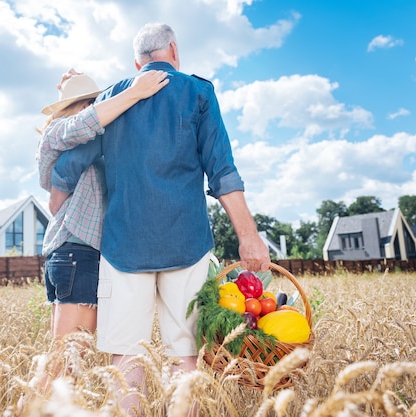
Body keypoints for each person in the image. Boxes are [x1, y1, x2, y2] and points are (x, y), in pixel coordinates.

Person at [50, 23, 270, 416]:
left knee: (127, 361)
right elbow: (222, 171)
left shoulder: (114, 96)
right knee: (184, 357)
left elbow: (69, 162)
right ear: (173, 50)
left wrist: (58, 201)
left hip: (123, 248)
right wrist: (249, 237)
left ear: (137, 62)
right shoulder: (199, 92)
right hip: (186, 243)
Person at [36, 69, 168, 360]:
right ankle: (28, 408)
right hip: (77, 253)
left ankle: (35, 407)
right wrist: (135, 92)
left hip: (71, 255)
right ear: (81, 107)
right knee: (66, 363)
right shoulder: (56, 133)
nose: (96, 108)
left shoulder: (82, 145)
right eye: (91, 103)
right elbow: (87, 124)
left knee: (66, 361)